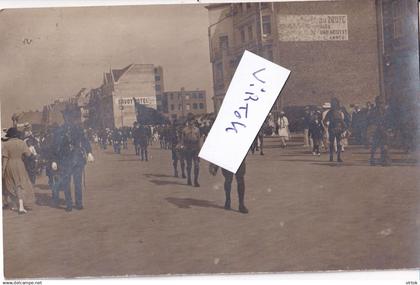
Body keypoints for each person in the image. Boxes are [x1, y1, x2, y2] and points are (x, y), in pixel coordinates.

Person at [51, 105, 94, 212]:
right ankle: (69, 204)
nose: (68, 117)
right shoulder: (59, 130)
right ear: (64, 116)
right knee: (66, 182)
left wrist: (89, 152)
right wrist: (54, 160)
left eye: (70, 115)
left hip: (77, 159)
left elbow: (84, 140)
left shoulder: (78, 128)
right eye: (66, 115)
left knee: (77, 182)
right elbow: (55, 146)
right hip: (65, 159)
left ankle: (78, 203)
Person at [2, 127, 35, 214]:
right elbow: (28, 154)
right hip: (20, 164)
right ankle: (20, 206)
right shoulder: (22, 143)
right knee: (19, 185)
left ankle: (14, 204)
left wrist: (2, 170)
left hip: (9, 164)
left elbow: (5, 158)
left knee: (10, 185)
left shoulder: (6, 144)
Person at [368, 96, 392, 166]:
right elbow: (369, 120)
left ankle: (385, 161)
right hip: (376, 131)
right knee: (374, 147)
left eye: (381, 103)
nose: (380, 104)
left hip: (384, 130)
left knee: (385, 146)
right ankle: (372, 160)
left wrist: (389, 128)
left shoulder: (386, 111)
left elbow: (390, 120)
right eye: (378, 103)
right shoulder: (373, 111)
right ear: (376, 103)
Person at [323, 98, 346, 162]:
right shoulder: (338, 112)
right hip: (337, 128)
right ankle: (337, 157)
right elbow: (341, 120)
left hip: (332, 128)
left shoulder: (330, 112)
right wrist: (344, 127)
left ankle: (332, 157)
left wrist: (326, 124)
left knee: (332, 143)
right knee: (337, 143)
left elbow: (325, 120)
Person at [181, 113, 201, 187]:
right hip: (188, 148)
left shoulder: (197, 130)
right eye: (189, 120)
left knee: (197, 166)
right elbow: (182, 140)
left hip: (195, 148)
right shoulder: (184, 130)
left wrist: (199, 150)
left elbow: (199, 140)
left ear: (194, 121)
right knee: (189, 166)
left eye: (192, 120)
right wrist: (183, 148)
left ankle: (196, 180)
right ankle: (189, 178)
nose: (190, 122)